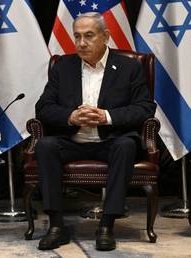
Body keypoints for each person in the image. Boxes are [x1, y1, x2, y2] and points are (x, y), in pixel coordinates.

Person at [34, 12, 156, 251]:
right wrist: (71, 116)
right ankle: (56, 226)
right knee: (45, 145)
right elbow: (43, 108)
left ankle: (107, 225)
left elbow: (144, 108)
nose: (81, 43)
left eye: (89, 36)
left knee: (126, 145)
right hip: (72, 140)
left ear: (106, 36)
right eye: (77, 36)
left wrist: (105, 116)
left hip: (111, 141)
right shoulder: (63, 67)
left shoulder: (129, 67)